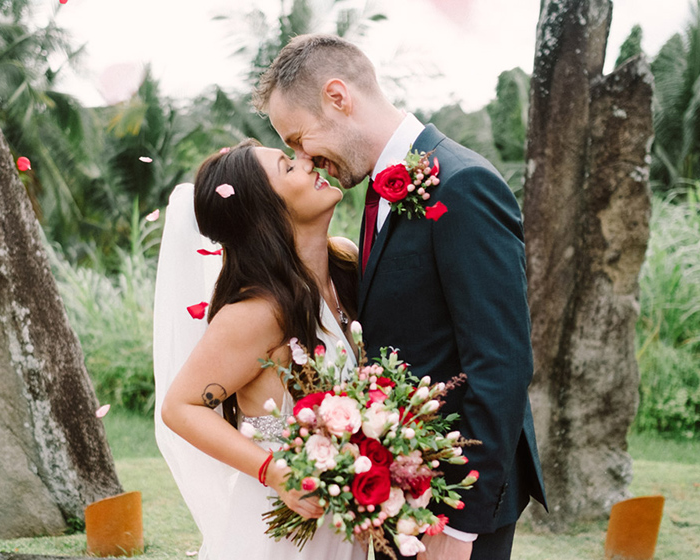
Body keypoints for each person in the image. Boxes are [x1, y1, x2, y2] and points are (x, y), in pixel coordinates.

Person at [254, 34, 548, 560]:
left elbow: (501, 362)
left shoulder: (462, 184)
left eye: (299, 138)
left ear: (338, 97)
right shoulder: (376, 191)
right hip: (402, 488)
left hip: (457, 500)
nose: (303, 158)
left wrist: (460, 526)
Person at [156, 140, 366, 560]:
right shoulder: (257, 311)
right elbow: (180, 407)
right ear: (266, 211)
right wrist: (274, 471)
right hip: (279, 528)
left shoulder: (345, 264)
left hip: (343, 516)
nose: (308, 162)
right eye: (289, 167)